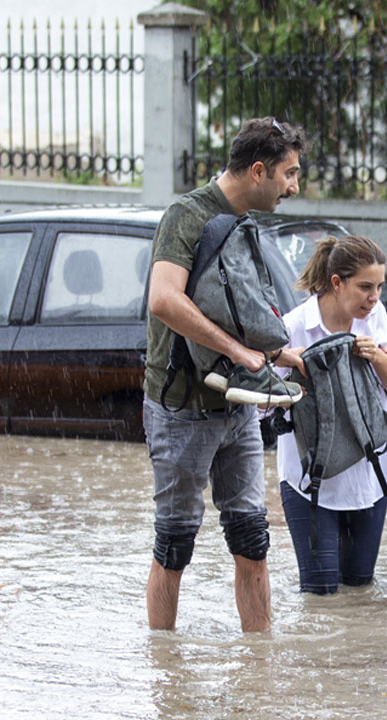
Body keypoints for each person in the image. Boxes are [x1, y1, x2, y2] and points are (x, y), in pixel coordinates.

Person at [142, 116, 309, 632]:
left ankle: (261, 674)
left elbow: (241, 312)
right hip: (181, 408)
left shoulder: (247, 226)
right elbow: (163, 299)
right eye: (289, 174)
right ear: (258, 171)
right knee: (175, 544)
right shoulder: (186, 216)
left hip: (236, 405)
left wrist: (287, 357)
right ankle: (164, 677)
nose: (294, 187)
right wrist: (237, 351)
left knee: (252, 540)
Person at [274, 235, 387, 594]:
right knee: (320, 594)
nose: (375, 297)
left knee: (359, 593)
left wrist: (377, 356)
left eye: (379, 287)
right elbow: (262, 406)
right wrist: (291, 369)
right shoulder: (294, 327)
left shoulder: (376, 318)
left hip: (371, 474)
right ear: (337, 282)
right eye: (366, 287)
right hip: (310, 483)